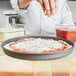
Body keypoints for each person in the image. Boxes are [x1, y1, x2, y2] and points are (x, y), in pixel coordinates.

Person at [10, 0, 74, 34]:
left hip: (54, 42)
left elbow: (68, 24)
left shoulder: (62, 3)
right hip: (27, 40)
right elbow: (17, 5)